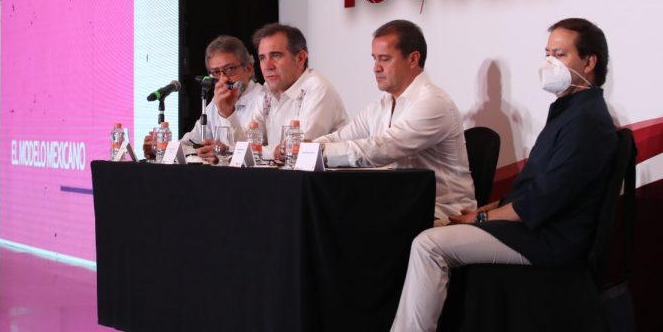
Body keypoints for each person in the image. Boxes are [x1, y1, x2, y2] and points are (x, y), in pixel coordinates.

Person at [390, 18, 618, 332]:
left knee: (429, 245)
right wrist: (483, 210)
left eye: (561, 54)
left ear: (589, 62)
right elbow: (531, 189)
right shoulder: (570, 111)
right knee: (429, 232)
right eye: (547, 53)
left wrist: (482, 220)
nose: (550, 62)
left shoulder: (587, 121)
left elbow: (542, 201)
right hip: (535, 230)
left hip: (548, 240)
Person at [315, 19, 475, 222]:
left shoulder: (433, 103)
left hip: (442, 212)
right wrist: (306, 147)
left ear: (413, 59)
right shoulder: (380, 105)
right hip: (399, 204)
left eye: (385, 59)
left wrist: (314, 153)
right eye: (374, 59)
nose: (376, 68)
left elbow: (378, 151)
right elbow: (340, 138)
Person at [216, 23, 348, 161]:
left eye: (276, 55)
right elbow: (248, 144)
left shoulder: (318, 89)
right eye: (262, 58)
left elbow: (297, 151)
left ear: (300, 58)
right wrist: (229, 113)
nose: (267, 66)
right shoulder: (267, 90)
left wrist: (263, 151)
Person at [143, 35, 261, 162]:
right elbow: (189, 143)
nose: (223, 79)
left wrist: (224, 152)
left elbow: (261, 154)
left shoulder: (264, 98)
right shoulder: (215, 103)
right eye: (216, 72)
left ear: (248, 69)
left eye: (230, 69)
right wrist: (163, 148)